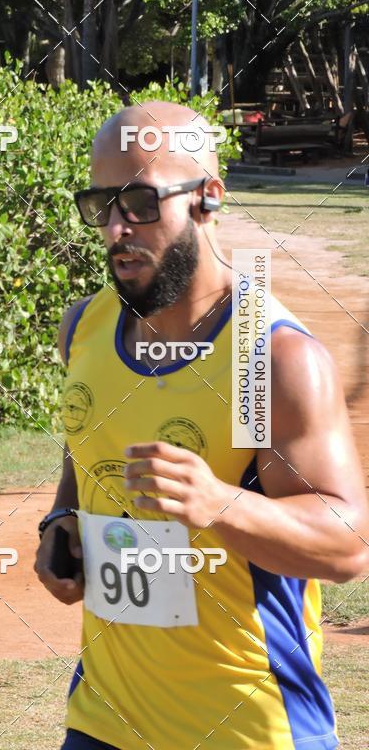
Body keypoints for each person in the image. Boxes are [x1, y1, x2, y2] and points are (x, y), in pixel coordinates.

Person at [34, 100, 369, 750]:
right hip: (103, 720)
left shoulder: (273, 358)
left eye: (138, 202)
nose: (115, 229)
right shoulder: (84, 329)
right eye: (100, 205)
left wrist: (218, 502)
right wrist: (62, 516)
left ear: (209, 197)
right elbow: (88, 437)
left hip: (246, 728)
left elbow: (348, 544)